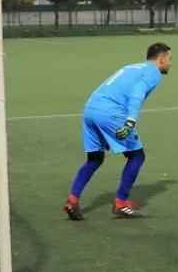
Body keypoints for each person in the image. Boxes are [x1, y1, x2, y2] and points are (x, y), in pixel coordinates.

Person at [63, 42, 172, 220]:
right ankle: (121, 202)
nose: (170, 63)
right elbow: (137, 94)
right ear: (161, 59)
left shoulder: (132, 67)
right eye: (169, 59)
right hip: (110, 113)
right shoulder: (153, 72)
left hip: (91, 108)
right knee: (137, 156)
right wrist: (130, 121)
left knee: (95, 158)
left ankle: (72, 200)